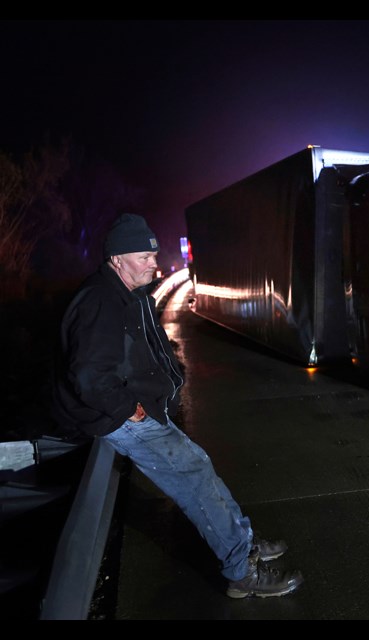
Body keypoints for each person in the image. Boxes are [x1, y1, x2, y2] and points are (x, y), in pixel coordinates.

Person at [51, 213, 304, 599]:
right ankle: (241, 572)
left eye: (154, 255)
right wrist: (130, 409)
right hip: (119, 415)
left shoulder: (130, 293)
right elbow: (88, 376)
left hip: (139, 407)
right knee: (192, 477)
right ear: (116, 259)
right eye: (144, 257)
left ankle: (243, 542)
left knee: (198, 468)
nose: (154, 264)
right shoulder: (101, 301)